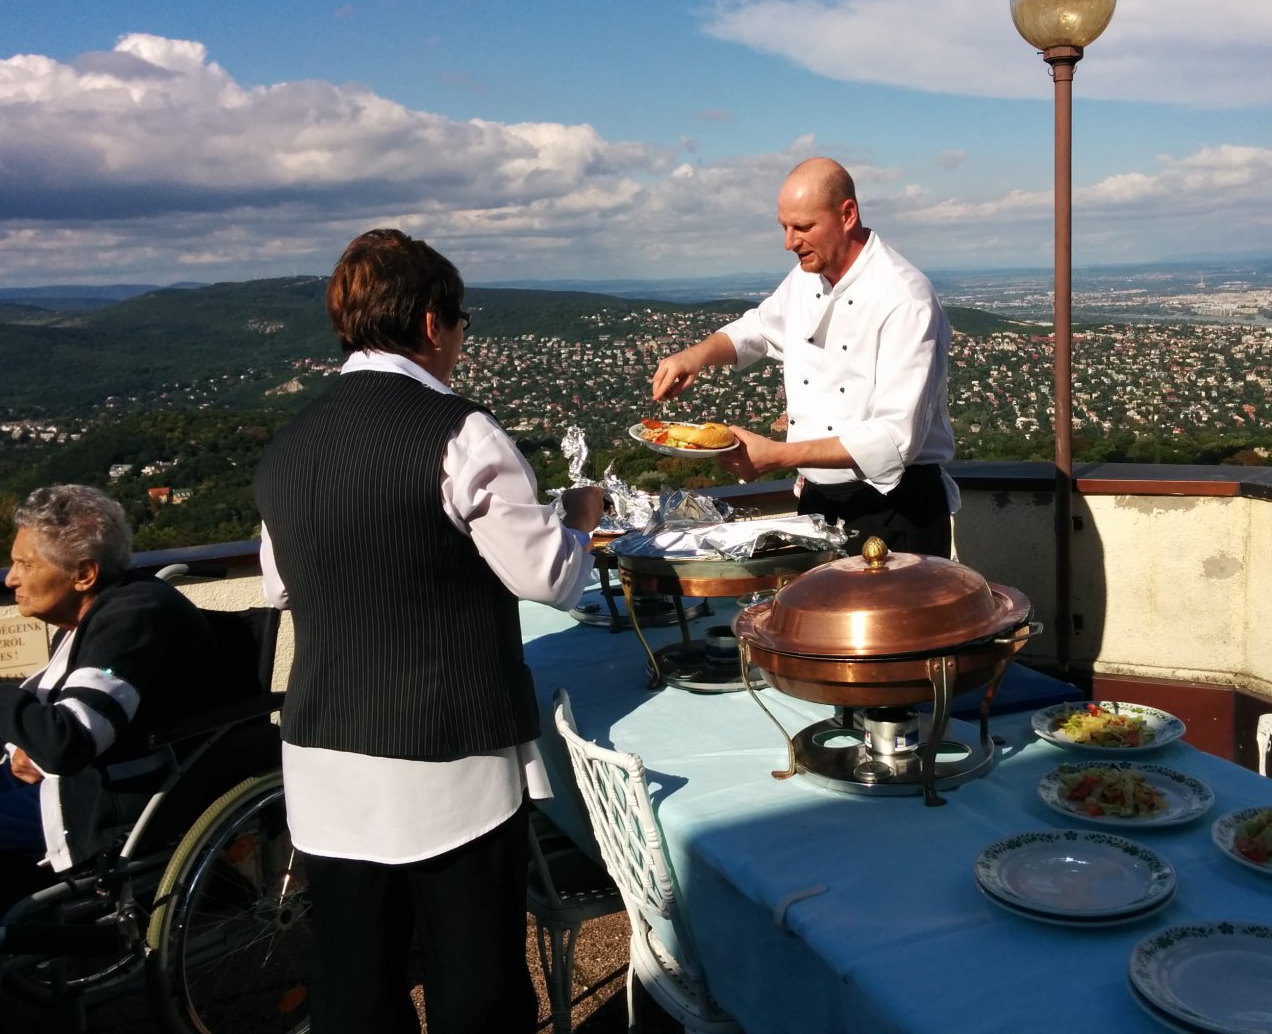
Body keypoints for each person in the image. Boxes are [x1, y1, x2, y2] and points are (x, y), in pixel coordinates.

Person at [253, 228, 603, 1034]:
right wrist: (576, 518)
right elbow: (549, 576)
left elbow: (282, 585)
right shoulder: (460, 432)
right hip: (450, 760)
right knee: (474, 985)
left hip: (324, 759)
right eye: (461, 326)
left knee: (356, 987)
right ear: (434, 324)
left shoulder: (287, 447)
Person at [651, 156, 958, 556]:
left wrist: (776, 456)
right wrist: (698, 355)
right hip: (817, 506)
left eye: (803, 227)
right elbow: (758, 328)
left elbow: (894, 440)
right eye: (784, 227)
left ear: (847, 214)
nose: (789, 242)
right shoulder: (805, 278)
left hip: (896, 512)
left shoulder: (904, 297)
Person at [0, 485, 224, 922]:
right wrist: (28, 749)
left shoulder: (131, 620)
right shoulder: (92, 612)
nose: (10, 579)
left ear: (83, 574)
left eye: (25, 564)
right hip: (69, 780)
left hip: (102, 802)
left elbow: (69, 740)